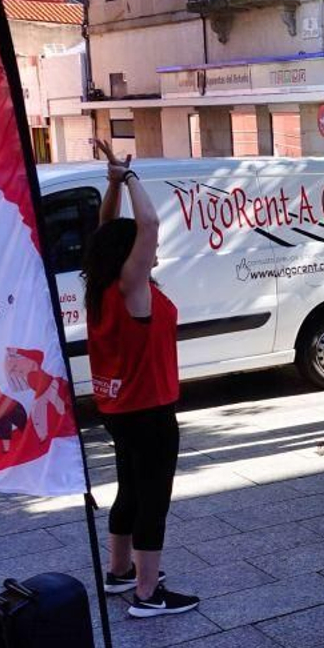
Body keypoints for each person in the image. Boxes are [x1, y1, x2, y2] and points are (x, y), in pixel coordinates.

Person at [83, 140, 198, 617]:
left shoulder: (103, 282)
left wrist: (111, 184)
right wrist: (130, 179)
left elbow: (106, 232)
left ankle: (120, 571)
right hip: (149, 409)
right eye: (143, 248)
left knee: (130, 488)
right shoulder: (132, 290)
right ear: (130, 254)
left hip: (116, 408)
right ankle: (148, 595)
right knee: (153, 498)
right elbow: (147, 224)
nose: (152, 249)